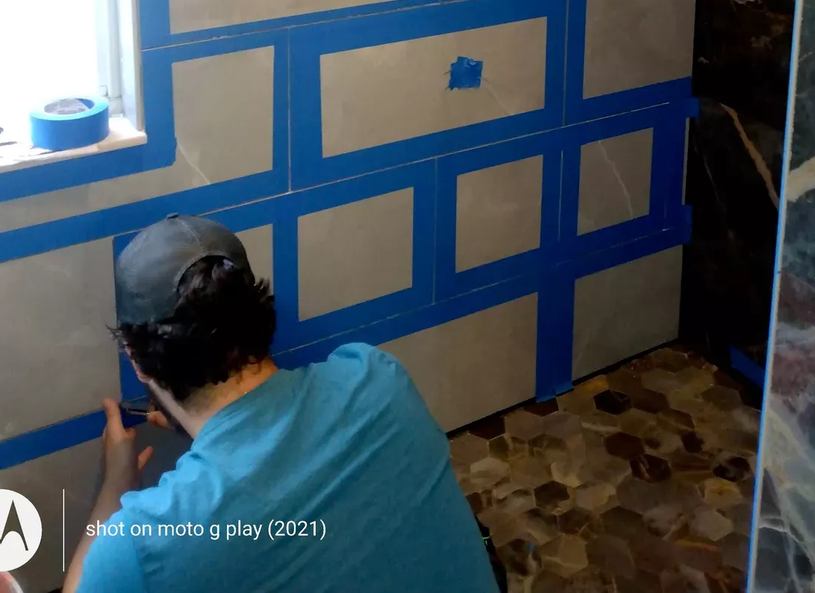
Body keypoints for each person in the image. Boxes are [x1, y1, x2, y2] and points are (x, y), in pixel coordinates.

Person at [64, 214, 500, 593]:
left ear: (138, 363)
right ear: (259, 313)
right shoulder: (377, 379)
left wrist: (116, 485)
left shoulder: (144, 544)